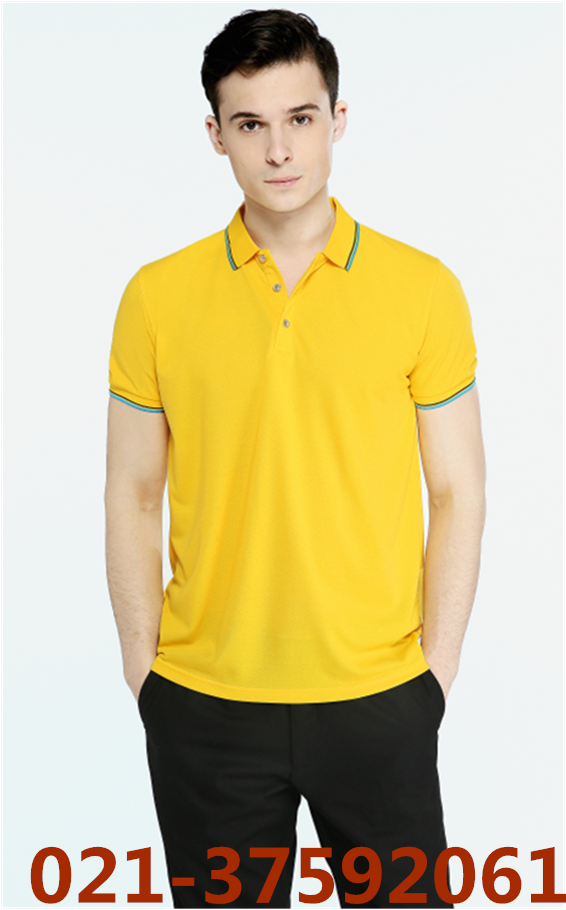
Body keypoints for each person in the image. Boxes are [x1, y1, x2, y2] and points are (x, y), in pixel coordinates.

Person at [105, 9, 486, 908]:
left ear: (337, 120)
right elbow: (132, 491)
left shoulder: (423, 289)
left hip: (379, 698)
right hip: (205, 705)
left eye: (300, 118)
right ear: (216, 135)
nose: (278, 150)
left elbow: (458, 490)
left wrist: (434, 676)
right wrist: (145, 673)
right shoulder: (156, 297)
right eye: (250, 123)